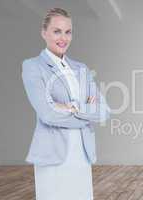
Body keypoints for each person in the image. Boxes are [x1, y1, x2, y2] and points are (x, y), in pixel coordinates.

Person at [21, 8, 111, 200]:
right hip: (52, 155)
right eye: (57, 31)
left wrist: (70, 107)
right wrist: (86, 112)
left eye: (68, 32)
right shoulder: (32, 66)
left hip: (82, 154)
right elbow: (48, 114)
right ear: (44, 32)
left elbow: (104, 111)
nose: (63, 38)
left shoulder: (82, 68)